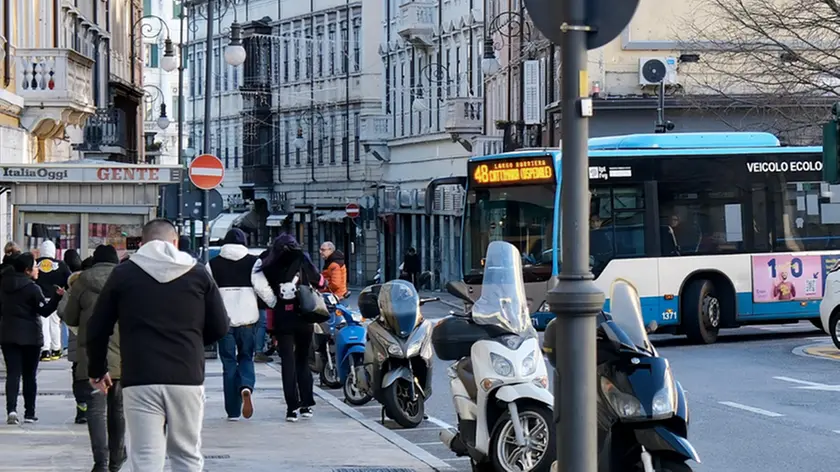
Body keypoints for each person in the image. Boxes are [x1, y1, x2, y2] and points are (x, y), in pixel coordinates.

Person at [86, 219, 228, 472]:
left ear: (141, 244)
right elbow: (220, 326)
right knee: (186, 453)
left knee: (145, 456)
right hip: (186, 375)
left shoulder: (123, 274)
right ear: (175, 242)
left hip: (140, 376)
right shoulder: (197, 273)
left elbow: (98, 327)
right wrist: (192, 343)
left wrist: (98, 369)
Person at [252, 233, 326, 422]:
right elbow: (318, 280)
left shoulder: (267, 260)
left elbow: (258, 285)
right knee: (303, 360)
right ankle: (306, 405)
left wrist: (274, 301)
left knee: (288, 363)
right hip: (303, 317)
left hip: (282, 318)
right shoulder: (302, 257)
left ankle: (291, 408)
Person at [63, 245, 124, 471]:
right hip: (122, 353)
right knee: (117, 409)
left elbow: (69, 315)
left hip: (91, 353)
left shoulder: (82, 282)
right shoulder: (125, 279)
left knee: (96, 410)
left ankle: (101, 462)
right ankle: (117, 460)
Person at [0, 252, 64, 424]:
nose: (38, 269)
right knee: (29, 375)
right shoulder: (32, 288)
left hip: (8, 335)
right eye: (35, 266)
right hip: (30, 337)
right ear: (28, 270)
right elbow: (44, 311)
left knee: (13, 374)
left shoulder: (3, 285)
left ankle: (11, 410)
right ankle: (29, 413)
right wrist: (57, 297)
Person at [206, 229, 261, 421]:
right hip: (247, 319)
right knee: (246, 356)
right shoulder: (253, 262)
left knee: (228, 363)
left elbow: (207, 292)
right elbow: (262, 288)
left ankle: (233, 411)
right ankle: (246, 386)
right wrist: (272, 303)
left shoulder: (212, 264)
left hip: (224, 320)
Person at [58, 249, 88, 424]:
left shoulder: (73, 289)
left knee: (78, 374)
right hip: (101, 340)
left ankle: (81, 408)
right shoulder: (108, 287)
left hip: (76, 338)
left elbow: (62, 311)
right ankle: (97, 406)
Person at [35, 240, 71, 361]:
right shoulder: (61, 265)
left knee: (43, 324)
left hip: (40, 298)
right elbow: (69, 280)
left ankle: (45, 351)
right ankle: (56, 349)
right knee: (55, 324)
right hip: (56, 298)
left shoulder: (36, 264)